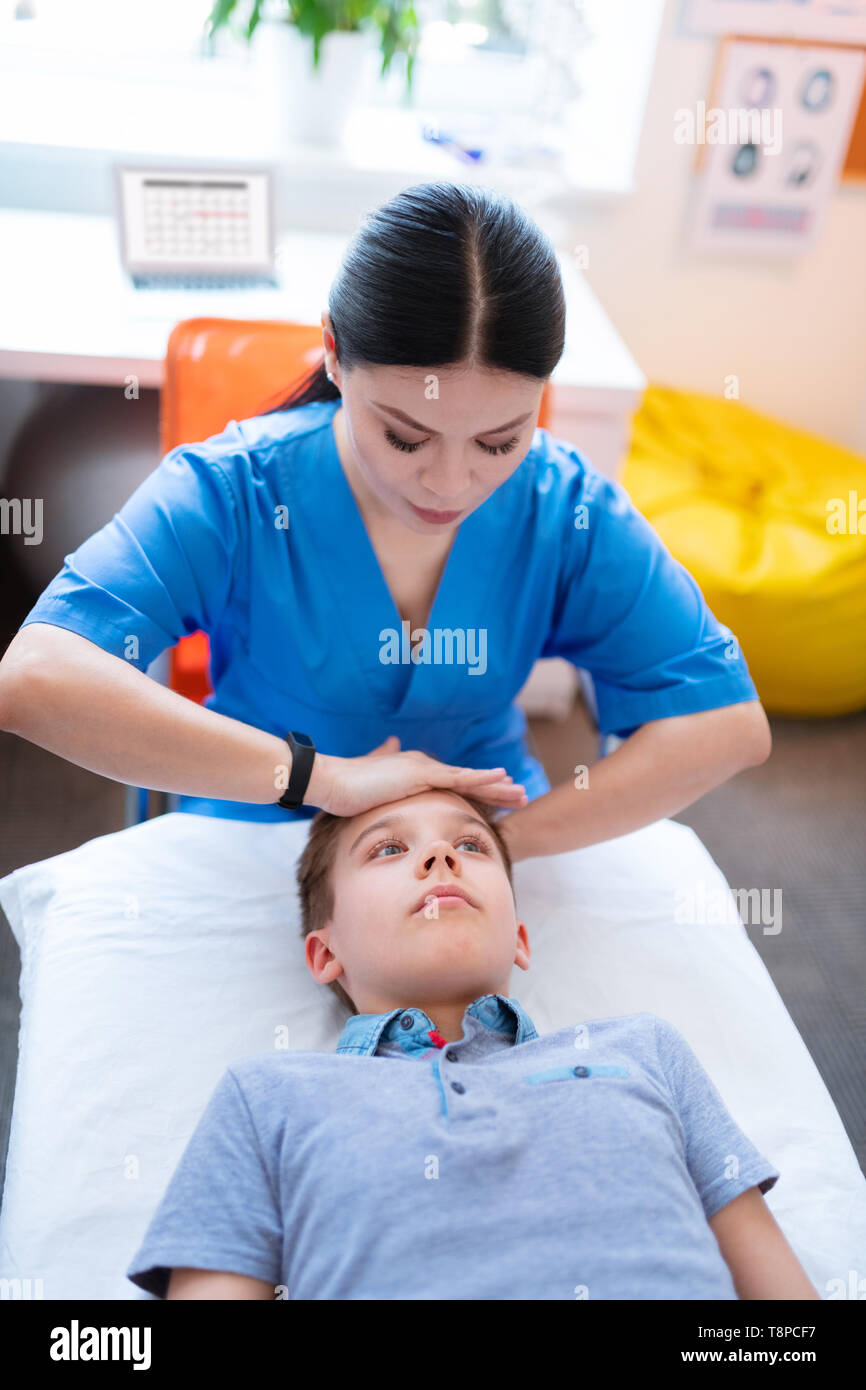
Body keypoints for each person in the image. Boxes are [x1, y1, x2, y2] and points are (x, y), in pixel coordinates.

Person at [0, 181, 770, 861]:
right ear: (335, 353)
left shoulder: (564, 511)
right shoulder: (235, 491)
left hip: (486, 833)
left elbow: (727, 725)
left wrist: (496, 847)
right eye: (406, 435)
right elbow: (35, 679)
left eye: (500, 440)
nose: (450, 482)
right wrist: (323, 780)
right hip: (264, 826)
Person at [126, 787, 817, 1301]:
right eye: (389, 849)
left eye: (472, 845)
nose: (440, 856)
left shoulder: (645, 1050)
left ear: (520, 937)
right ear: (324, 952)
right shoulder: (268, 1097)